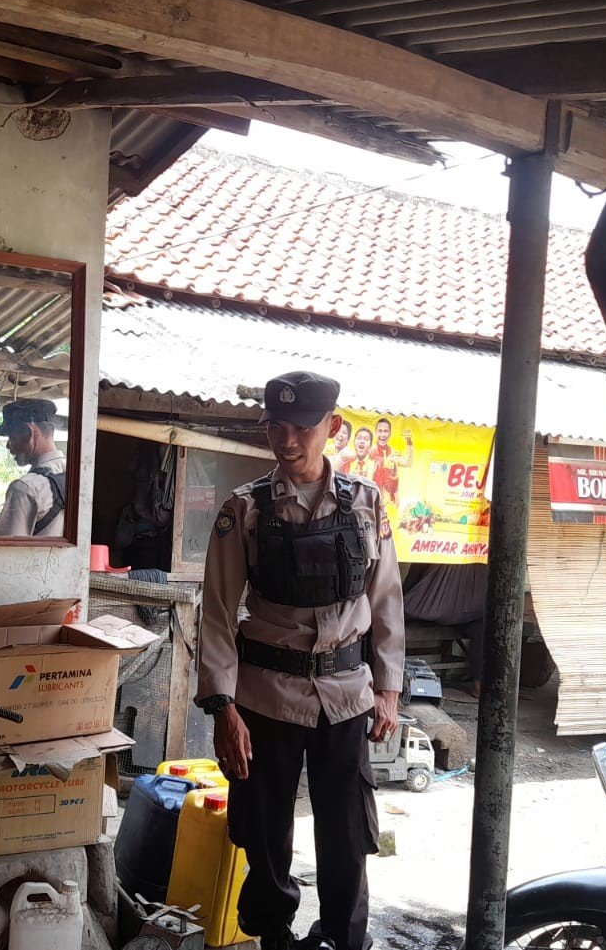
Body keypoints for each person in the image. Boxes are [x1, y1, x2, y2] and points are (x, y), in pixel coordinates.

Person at [195, 371, 405, 950]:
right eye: (276, 427)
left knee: (348, 833)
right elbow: (217, 614)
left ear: (332, 427)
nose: (287, 441)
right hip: (267, 698)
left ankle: (343, 938)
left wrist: (388, 688)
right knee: (264, 836)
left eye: (302, 428)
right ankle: (274, 938)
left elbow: (386, 599)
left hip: (347, 696)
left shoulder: (367, 504)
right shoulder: (245, 510)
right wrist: (223, 709)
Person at [0, 399, 67, 537]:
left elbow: (4, 549)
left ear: (28, 432)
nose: (8, 445)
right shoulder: (77, 477)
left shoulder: (25, 489)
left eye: (11, 437)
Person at [370, 417, 413, 504]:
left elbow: (407, 463)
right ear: (375, 432)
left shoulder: (393, 452)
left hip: (390, 501)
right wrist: (385, 461)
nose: (382, 435)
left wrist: (409, 442)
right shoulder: (370, 452)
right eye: (380, 431)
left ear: (390, 433)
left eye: (385, 431)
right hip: (372, 498)